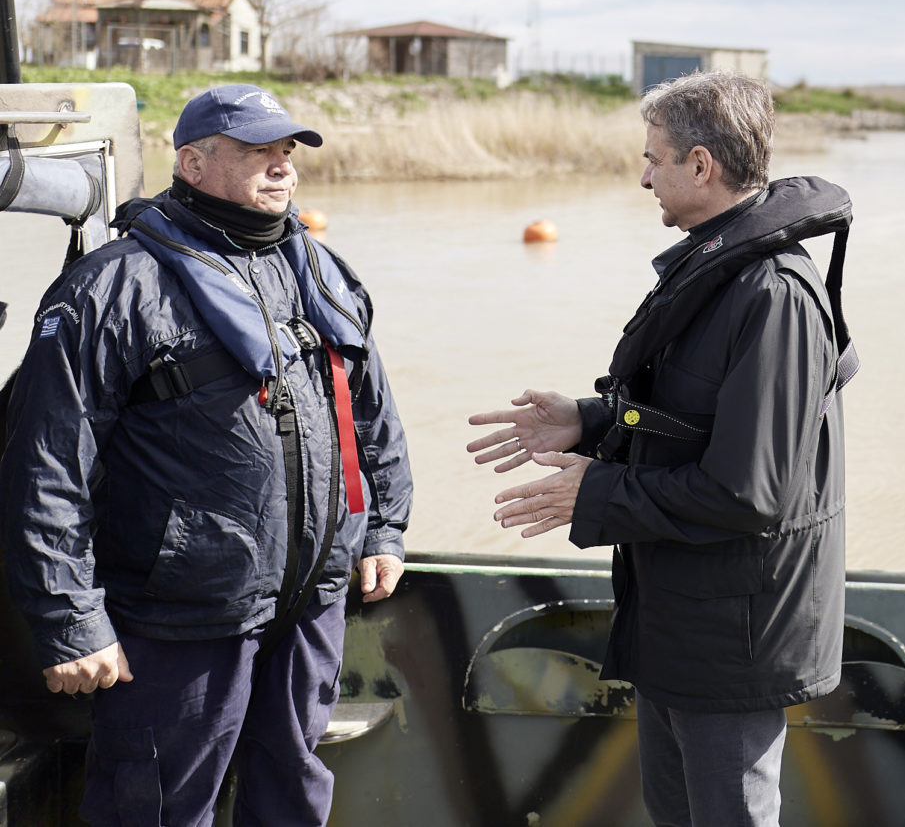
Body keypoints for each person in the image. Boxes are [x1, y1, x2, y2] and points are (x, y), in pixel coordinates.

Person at [1, 83, 412, 827]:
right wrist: (70, 620)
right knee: (156, 808)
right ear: (192, 162)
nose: (282, 165)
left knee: (292, 789)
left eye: (287, 150)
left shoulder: (323, 272)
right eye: (258, 150)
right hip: (179, 620)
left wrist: (382, 527)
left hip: (308, 605)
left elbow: (371, 413)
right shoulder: (112, 289)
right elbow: (45, 465)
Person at [467, 70, 853, 827]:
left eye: (654, 159)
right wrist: (590, 421)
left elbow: (750, 491)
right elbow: (689, 417)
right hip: (683, 617)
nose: (644, 177)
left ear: (701, 165)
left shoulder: (771, 294)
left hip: (734, 635)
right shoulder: (721, 269)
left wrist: (595, 491)